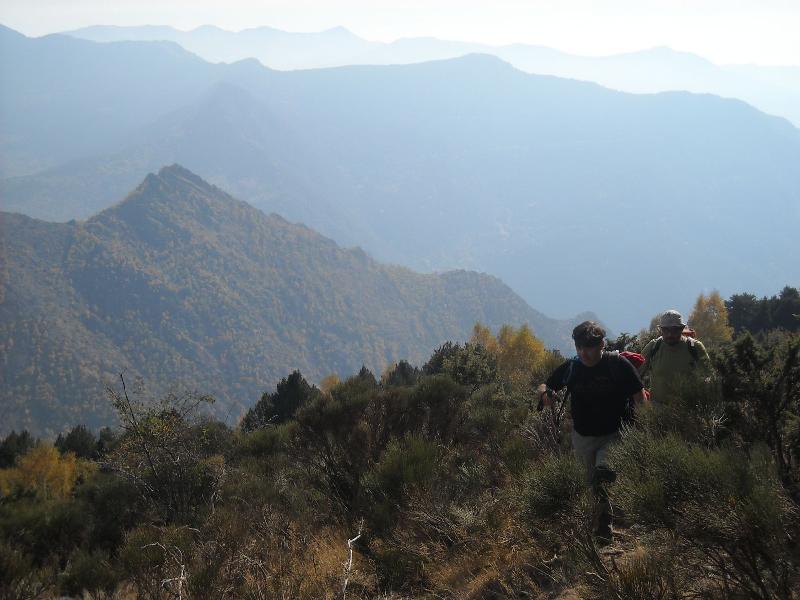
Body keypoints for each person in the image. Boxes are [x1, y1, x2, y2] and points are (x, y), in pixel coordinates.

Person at [537, 321, 645, 543]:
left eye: (588, 347)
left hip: (615, 433)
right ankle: (599, 521)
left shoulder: (618, 365)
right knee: (590, 484)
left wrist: (643, 425)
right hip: (583, 436)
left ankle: (605, 527)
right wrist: (546, 395)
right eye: (579, 347)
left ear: (601, 345)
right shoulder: (572, 367)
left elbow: (638, 394)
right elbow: (546, 386)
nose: (583, 352)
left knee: (602, 476)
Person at [639, 310, 712, 404]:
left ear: (681, 329)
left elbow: (709, 376)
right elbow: (636, 375)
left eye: (674, 330)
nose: (670, 334)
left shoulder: (694, 347)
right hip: (657, 411)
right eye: (666, 330)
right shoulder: (654, 346)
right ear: (661, 330)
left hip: (687, 410)